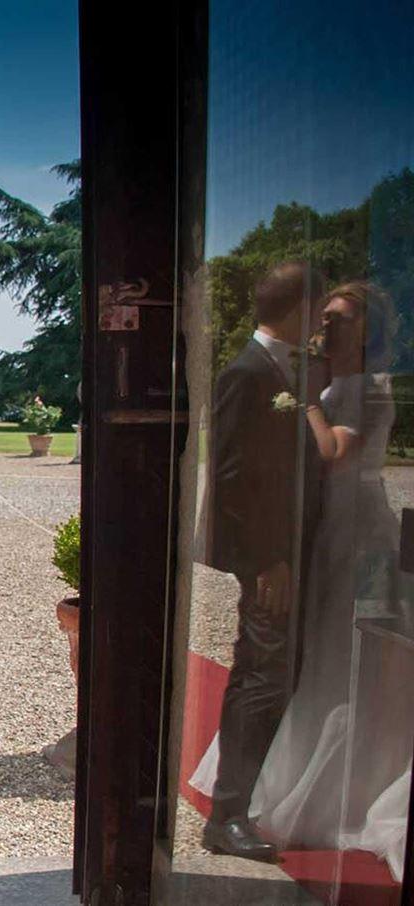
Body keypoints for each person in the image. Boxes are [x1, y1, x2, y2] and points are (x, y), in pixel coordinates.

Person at [244, 282, 413, 880]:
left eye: (340, 320)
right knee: (316, 649)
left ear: (368, 329)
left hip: (360, 531)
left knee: (346, 653)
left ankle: (349, 784)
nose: (327, 328)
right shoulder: (336, 383)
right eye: (325, 318)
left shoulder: (369, 389)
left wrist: (305, 401)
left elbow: (337, 451)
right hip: (322, 528)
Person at [192, 261, 325, 861]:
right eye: (317, 309)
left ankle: (248, 801)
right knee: (262, 678)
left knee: (271, 673)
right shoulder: (248, 373)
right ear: (301, 307)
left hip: (298, 551)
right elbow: (232, 476)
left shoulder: (287, 371)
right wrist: (269, 558)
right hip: (270, 561)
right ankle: (228, 814)